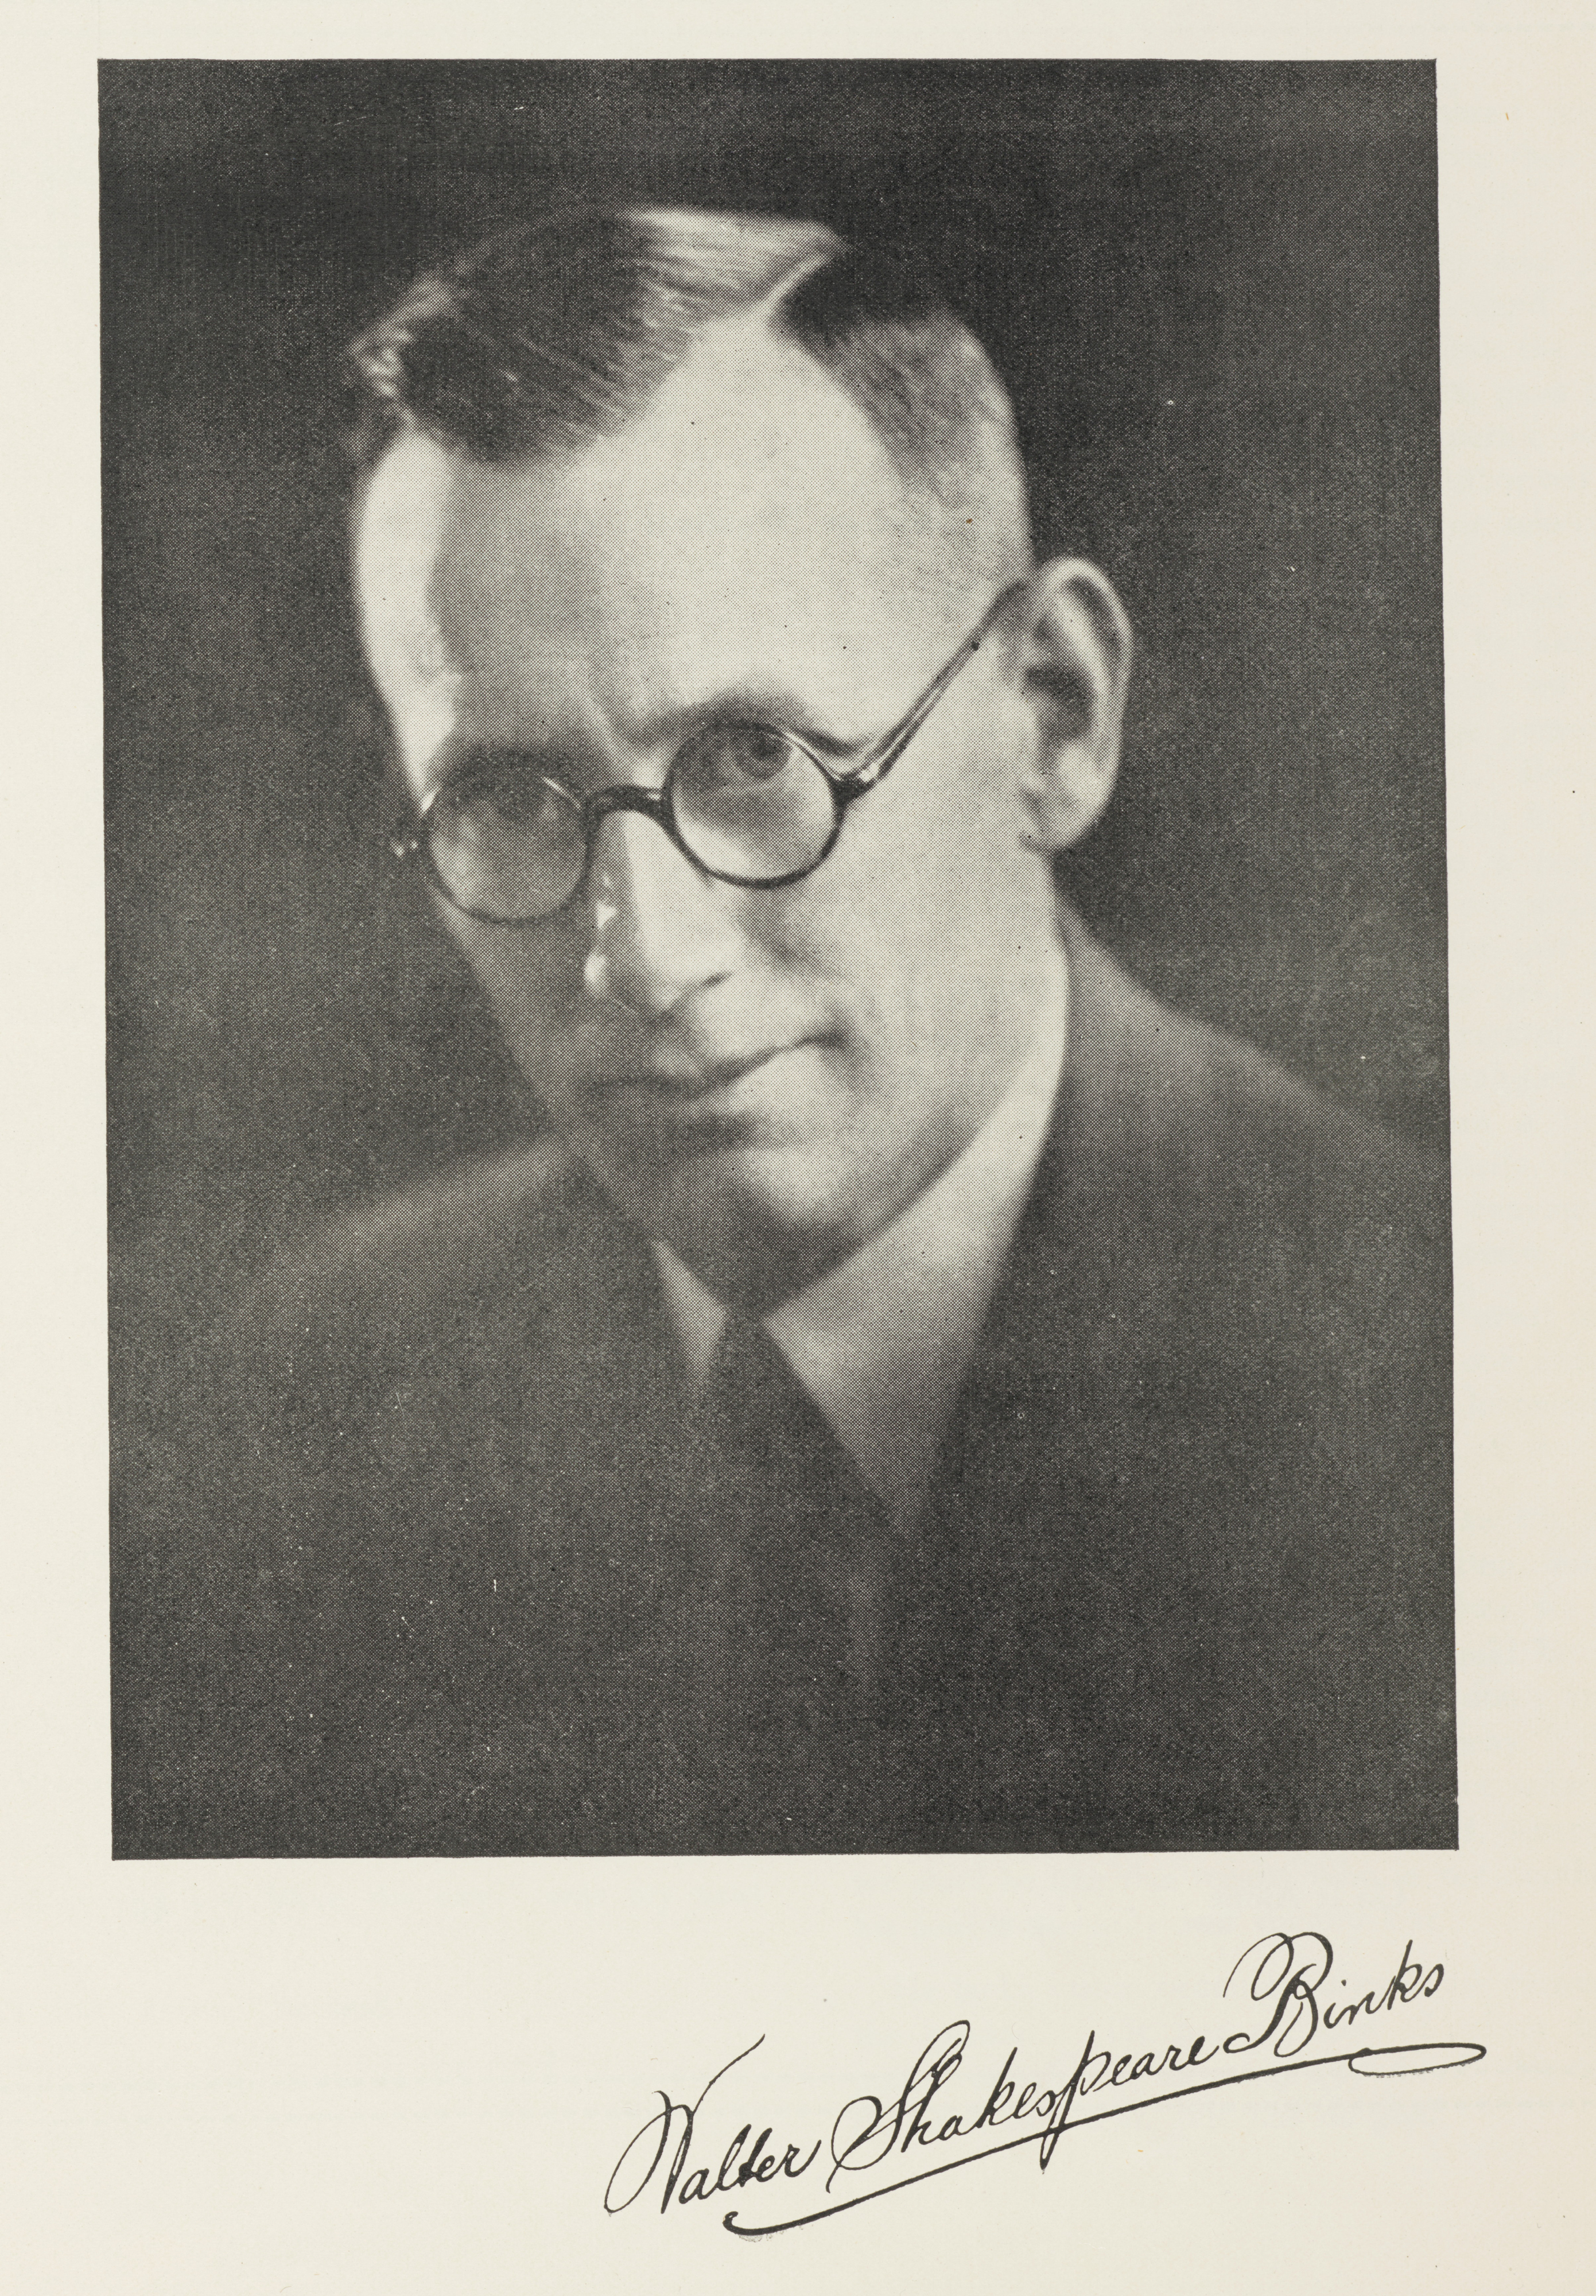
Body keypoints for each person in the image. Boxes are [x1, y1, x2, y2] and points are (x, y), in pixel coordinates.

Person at [111, 205, 1455, 1858]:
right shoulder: (307, 1434)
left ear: (1053, 716)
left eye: (752, 760)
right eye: (508, 799)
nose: (645, 959)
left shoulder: (1449, 1383)